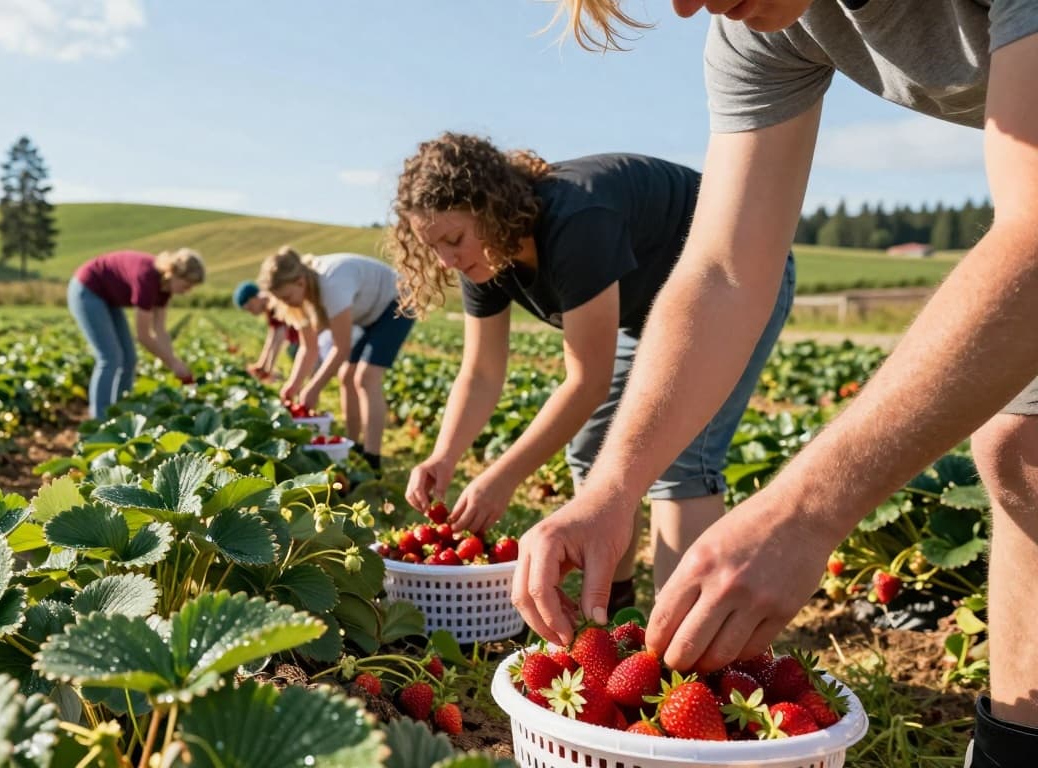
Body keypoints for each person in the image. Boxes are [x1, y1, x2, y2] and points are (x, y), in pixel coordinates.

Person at [516, 2, 1038, 763]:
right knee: (1023, 454)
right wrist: (613, 487)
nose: (691, 5)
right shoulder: (758, 21)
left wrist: (804, 510)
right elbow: (725, 270)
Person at [392, 132, 793, 613]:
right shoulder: (482, 258)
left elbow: (588, 380)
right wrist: (444, 456)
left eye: (453, 240)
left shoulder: (576, 219)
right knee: (592, 450)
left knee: (680, 461)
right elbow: (480, 372)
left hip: (737, 274)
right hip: (649, 310)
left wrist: (503, 477)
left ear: (490, 206)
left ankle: (685, 645)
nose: (446, 261)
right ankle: (612, 612)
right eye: (432, 247)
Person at [257, 247, 414, 471]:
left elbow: (341, 348)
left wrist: (313, 388)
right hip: (370, 313)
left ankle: (372, 458)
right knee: (346, 376)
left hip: (398, 300)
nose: (287, 303)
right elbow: (308, 348)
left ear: (300, 282)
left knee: (366, 377)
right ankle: (353, 445)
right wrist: (293, 385)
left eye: (287, 297)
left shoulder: (332, 283)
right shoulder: (303, 298)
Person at [68, 248, 204, 419]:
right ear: (172, 273)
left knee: (129, 358)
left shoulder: (165, 289)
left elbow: (160, 330)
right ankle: (99, 420)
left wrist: (174, 361)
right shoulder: (147, 278)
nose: (187, 291)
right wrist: (172, 363)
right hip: (87, 290)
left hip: (108, 299)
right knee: (110, 358)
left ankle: (120, 412)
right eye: (186, 285)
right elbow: (143, 336)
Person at [233, 280, 300, 380]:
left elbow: (279, 336)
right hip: (298, 340)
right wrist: (261, 365)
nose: (251, 312)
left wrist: (268, 369)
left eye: (250, 308)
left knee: (294, 353)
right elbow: (272, 337)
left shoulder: (273, 303)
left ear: (254, 298)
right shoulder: (268, 308)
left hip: (304, 340)